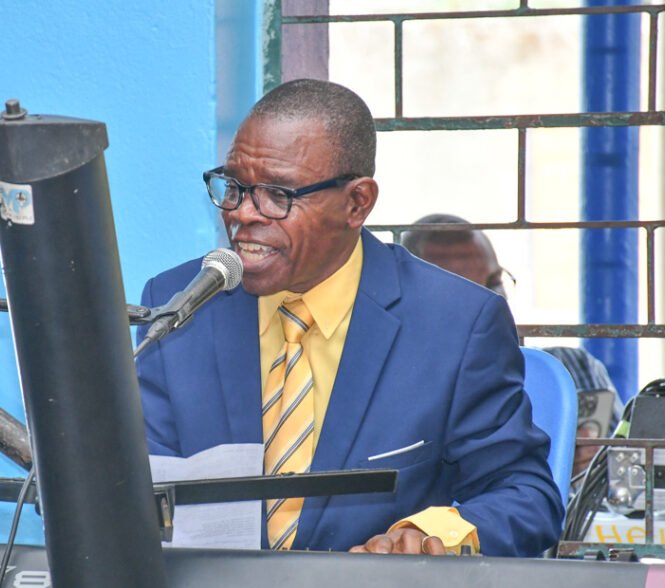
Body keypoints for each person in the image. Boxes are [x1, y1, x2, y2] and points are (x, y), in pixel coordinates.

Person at [136, 79, 563, 558]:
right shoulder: (181, 306)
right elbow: (135, 482)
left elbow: (525, 497)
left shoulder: (456, 324)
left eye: (278, 195)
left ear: (357, 203)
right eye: (234, 187)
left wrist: (430, 535)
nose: (243, 214)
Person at [401, 214, 625, 476]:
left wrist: (592, 468)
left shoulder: (574, 369)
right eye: (465, 291)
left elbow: (630, 486)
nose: (494, 300)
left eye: (495, 282)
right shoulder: (397, 386)